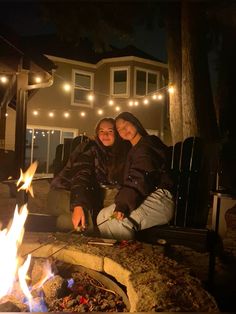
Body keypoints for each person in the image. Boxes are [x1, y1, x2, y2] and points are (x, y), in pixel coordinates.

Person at [97, 112, 174, 240]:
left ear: (135, 123)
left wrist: (122, 205)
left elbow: (140, 176)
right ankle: (114, 254)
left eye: (126, 125)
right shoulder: (134, 150)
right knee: (102, 217)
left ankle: (125, 257)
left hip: (160, 199)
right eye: (119, 129)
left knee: (118, 221)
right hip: (147, 196)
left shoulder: (148, 145)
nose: (124, 130)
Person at [49, 117, 130, 232]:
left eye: (110, 131)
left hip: (85, 193)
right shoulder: (89, 148)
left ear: (117, 134)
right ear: (97, 133)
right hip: (64, 192)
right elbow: (81, 174)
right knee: (87, 221)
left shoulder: (117, 153)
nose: (105, 135)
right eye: (101, 131)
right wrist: (78, 205)